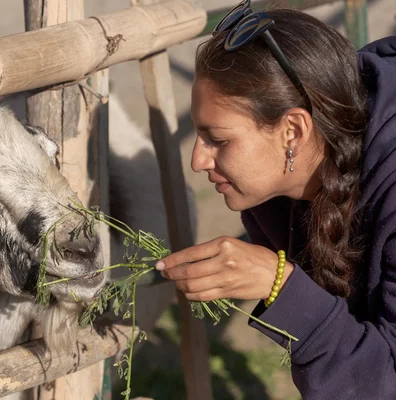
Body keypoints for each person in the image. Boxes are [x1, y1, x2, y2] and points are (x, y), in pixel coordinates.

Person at [154, 1, 396, 398]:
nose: (198, 160)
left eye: (218, 139)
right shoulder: (275, 189)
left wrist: (280, 283)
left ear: (292, 131)